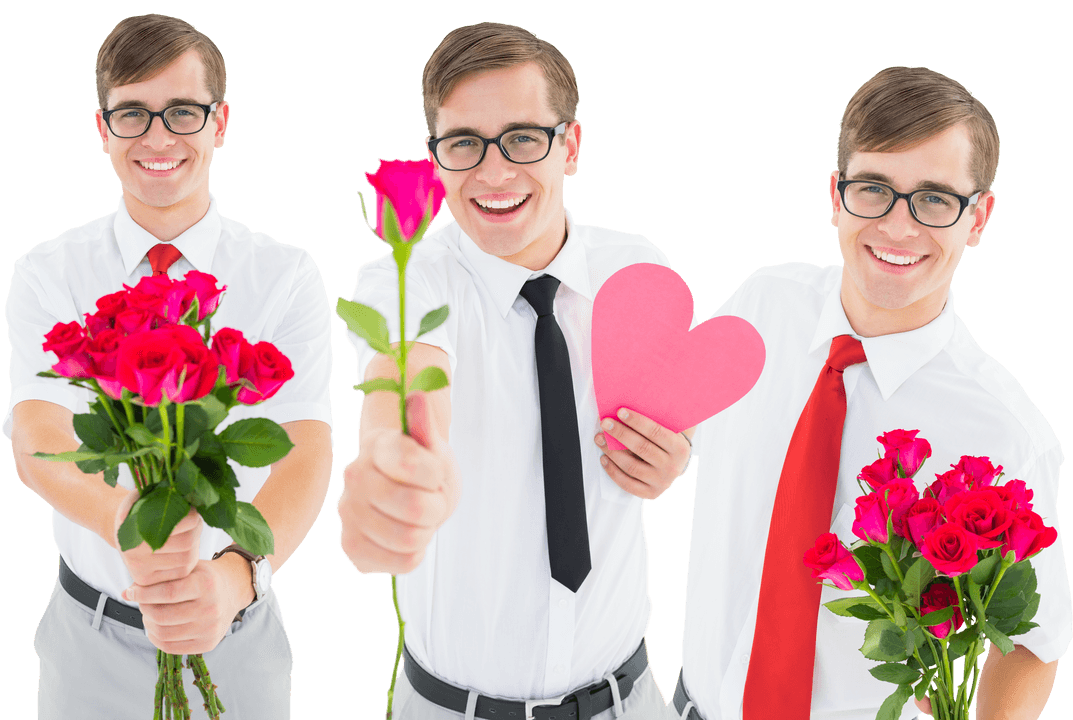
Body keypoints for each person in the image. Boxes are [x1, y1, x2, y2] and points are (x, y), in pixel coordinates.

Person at [674, 67, 1070, 720]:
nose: (898, 227)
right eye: (874, 190)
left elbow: (1036, 642)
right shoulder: (765, 303)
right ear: (836, 196)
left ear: (979, 218)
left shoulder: (1004, 431)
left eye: (936, 199)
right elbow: (671, 430)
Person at [339, 22, 690, 720]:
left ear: (572, 146)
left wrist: (673, 456)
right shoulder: (407, 281)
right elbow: (408, 378)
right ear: (435, 161)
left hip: (632, 699)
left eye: (523, 138)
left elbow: (674, 414)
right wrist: (393, 461)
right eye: (464, 144)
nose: (494, 174)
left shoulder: (636, 269)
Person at [6, 14, 333, 719]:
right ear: (103, 129)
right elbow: (36, 433)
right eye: (133, 114)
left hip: (238, 635)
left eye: (181, 112)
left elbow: (305, 449)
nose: (158, 138)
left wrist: (235, 578)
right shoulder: (48, 271)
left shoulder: (283, 274)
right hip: (88, 641)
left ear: (219, 123)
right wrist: (129, 517)